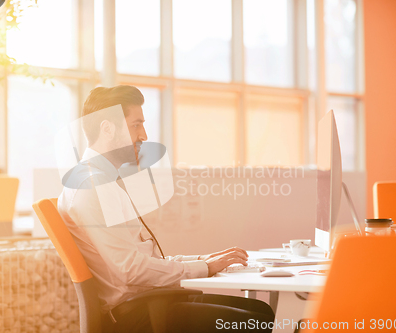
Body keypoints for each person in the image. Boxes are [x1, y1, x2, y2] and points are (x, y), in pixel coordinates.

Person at [58, 85, 274, 332]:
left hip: (148, 302)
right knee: (258, 322)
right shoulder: (92, 186)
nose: (144, 135)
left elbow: (142, 260)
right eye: (136, 125)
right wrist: (204, 267)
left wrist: (204, 260)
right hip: (137, 314)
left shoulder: (101, 181)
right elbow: (130, 269)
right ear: (107, 128)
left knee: (260, 312)